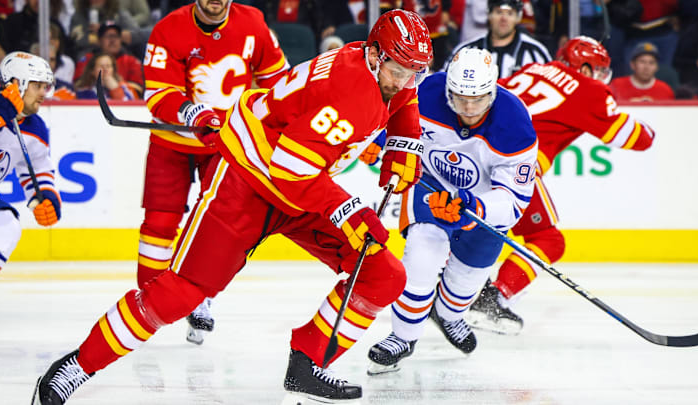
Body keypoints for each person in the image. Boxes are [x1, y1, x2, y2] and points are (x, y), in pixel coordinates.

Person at [31, 9, 432, 405]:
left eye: (413, 72)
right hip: (248, 181)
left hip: (301, 185)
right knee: (179, 293)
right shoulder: (350, 92)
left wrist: (404, 144)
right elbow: (290, 170)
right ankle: (77, 366)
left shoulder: (380, 64)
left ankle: (307, 363)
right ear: (377, 56)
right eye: (399, 70)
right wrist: (351, 212)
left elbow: (403, 98)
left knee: (382, 275)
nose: (405, 81)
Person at [466, 36, 655, 334]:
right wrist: (649, 131)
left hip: (468, 157)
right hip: (511, 165)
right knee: (547, 240)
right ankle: (491, 300)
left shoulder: (532, 69)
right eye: (599, 69)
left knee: (471, 227)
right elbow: (635, 138)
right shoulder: (589, 89)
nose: (601, 76)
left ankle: (446, 291)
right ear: (588, 67)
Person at [366, 47, 537, 375]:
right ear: (447, 90)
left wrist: (475, 207)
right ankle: (402, 338)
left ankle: (449, 314)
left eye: (477, 100)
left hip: (483, 206)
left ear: (493, 91)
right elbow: (395, 121)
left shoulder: (515, 125)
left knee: (464, 284)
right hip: (432, 186)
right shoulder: (426, 93)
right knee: (420, 258)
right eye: (460, 99)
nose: (469, 109)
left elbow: (514, 202)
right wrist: (380, 139)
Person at [134, 0, 290, 347]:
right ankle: (146, 301)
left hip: (226, 144)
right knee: (159, 223)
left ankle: (198, 297)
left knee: (214, 227)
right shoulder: (168, 29)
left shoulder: (253, 23)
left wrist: (273, 117)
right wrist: (194, 113)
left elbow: (279, 81)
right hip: (171, 140)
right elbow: (159, 94)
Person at [0, 52, 62, 273]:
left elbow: (38, 168)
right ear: (16, 83)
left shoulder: (35, 128)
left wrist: (45, 194)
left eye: (45, 86)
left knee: (5, 226)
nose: (43, 94)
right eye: (37, 86)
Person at [447, 0, 551, 78]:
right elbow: (446, 81)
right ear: (489, 15)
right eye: (498, 12)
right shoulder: (466, 50)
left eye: (510, 13)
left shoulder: (536, 52)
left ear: (518, 18)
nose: (504, 19)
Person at [73, 21, 144, 97]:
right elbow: (78, 85)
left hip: (123, 105)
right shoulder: (88, 58)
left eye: (116, 36)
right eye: (108, 36)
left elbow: (138, 89)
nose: (112, 40)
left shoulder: (131, 61)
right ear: (99, 40)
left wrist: (117, 85)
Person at [610, 42, 674, 101]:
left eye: (651, 63)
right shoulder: (616, 85)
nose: (646, 67)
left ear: (657, 67)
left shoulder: (665, 90)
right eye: (642, 62)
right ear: (632, 65)